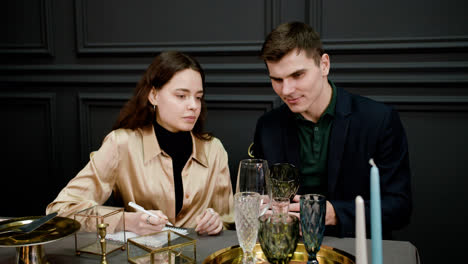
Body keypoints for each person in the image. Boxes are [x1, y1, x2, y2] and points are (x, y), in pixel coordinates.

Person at [252, 22, 412, 238]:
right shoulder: (267, 126)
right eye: (277, 80)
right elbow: (261, 198)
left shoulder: (378, 120)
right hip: (290, 248)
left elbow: (399, 207)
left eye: (297, 75)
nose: (286, 90)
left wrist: (335, 213)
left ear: (324, 65)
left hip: (356, 248)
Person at [46, 51, 233, 236]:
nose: (193, 105)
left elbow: (230, 221)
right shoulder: (121, 144)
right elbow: (62, 210)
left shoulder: (214, 150)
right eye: (181, 96)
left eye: (198, 97)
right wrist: (126, 221)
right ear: (153, 95)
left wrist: (217, 223)